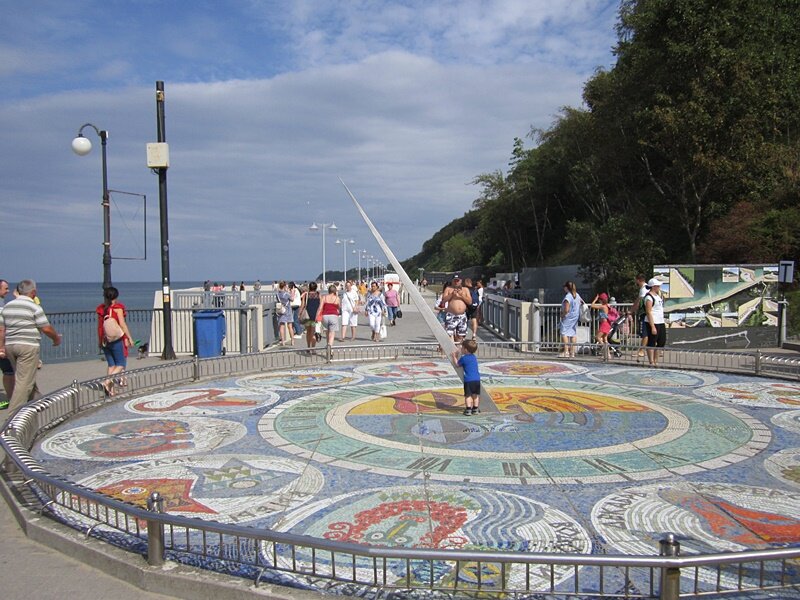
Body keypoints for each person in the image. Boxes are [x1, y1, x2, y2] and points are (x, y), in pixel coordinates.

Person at [0, 279, 61, 419]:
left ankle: (38, 401)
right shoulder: (33, 307)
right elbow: (45, 327)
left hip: (11, 346)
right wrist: (56, 338)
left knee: (24, 376)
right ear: (33, 292)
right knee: (23, 382)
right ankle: (13, 418)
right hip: (27, 346)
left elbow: (2, 329)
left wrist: (2, 347)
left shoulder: (8, 306)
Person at [95, 286, 134, 396]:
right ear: (115, 296)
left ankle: (110, 390)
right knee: (120, 364)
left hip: (105, 340)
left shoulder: (102, 309)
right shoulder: (117, 308)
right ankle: (107, 382)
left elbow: (99, 327)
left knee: (111, 365)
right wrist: (129, 338)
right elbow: (122, 325)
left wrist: (99, 340)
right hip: (116, 340)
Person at [453, 339, 481, 416]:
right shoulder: (474, 357)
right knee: (475, 395)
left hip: (468, 380)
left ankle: (468, 409)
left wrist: (454, 356)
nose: (461, 349)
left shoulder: (464, 358)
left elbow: (457, 364)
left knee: (468, 395)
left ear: (465, 349)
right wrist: (464, 343)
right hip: (477, 379)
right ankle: (475, 409)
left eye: (462, 348)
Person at [440, 275, 472, 343]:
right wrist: (451, 295)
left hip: (462, 315)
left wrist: (462, 296)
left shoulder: (465, 289)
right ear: (452, 281)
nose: (456, 282)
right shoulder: (448, 289)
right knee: (449, 334)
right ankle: (450, 350)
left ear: (461, 281)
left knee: (461, 335)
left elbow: (470, 302)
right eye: (455, 280)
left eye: (458, 280)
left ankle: (459, 350)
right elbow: (443, 300)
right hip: (451, 315)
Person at [644, 278, 666, 366]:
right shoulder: (649, 297)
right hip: (653, 322)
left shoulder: (657, 296)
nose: (659, 287)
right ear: (653, 287)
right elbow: (648, 312)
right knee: (652, 342)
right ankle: (651, 362)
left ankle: (656, 361)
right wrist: (652, 326)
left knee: (661, 341)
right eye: (658, 286)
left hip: (660, 321)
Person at [559, 281, 582, 358]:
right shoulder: (577, 295)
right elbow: (581, 302)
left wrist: (562, 315)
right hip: (575, 316)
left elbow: (566, 309)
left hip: (568, 317)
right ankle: (572, 352)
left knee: (564, 333)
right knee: (573, 333)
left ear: (567, 288)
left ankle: (566, 351)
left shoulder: (568, 297)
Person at [0, 279, 14, 405]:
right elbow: (1, 329)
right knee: (9, 372)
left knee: (8, 371)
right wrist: (2, 347)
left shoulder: (2, 303)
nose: (8, 291)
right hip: (2, 344)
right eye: (6, 288)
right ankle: (11, 399)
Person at [589, 292, 613, 359]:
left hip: (604, 324)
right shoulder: (607, 306)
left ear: (601, 300)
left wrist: (595, 299)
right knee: (605, 339)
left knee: (598, 337)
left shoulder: (602, 306)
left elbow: (592, 305)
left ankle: (604, 351)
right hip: (607, 324)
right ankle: (608, 354)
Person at [632, 274, 649, 359]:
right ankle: (656, 350)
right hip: (649, 314)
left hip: (644, 314)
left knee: (644, 333)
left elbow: (639, 302)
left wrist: (632, 310)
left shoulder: (643, 289)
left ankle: (641, 351)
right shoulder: (647, 287)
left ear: (638, 280)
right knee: (648, 333)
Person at [299, 282, 321, 349]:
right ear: (316, 287)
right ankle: (313, 348)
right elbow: (320, 305)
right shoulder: (318, 295)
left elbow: (302, 306)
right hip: (315, 316)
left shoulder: (306, 295)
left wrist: (299, 314)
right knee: (314, 332)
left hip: (307, 316)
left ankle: (309, 347)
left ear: (309, 287)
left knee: (308, 332)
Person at [276, 281, 294, 346]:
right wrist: (292, 292)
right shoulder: (286, 294)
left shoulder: (277, 294)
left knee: (281, 326)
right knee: (290, 326)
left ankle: (283, 341)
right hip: (288, 310)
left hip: (281, 311)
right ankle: (292, 340)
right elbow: (292, 299)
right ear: (284, 286)